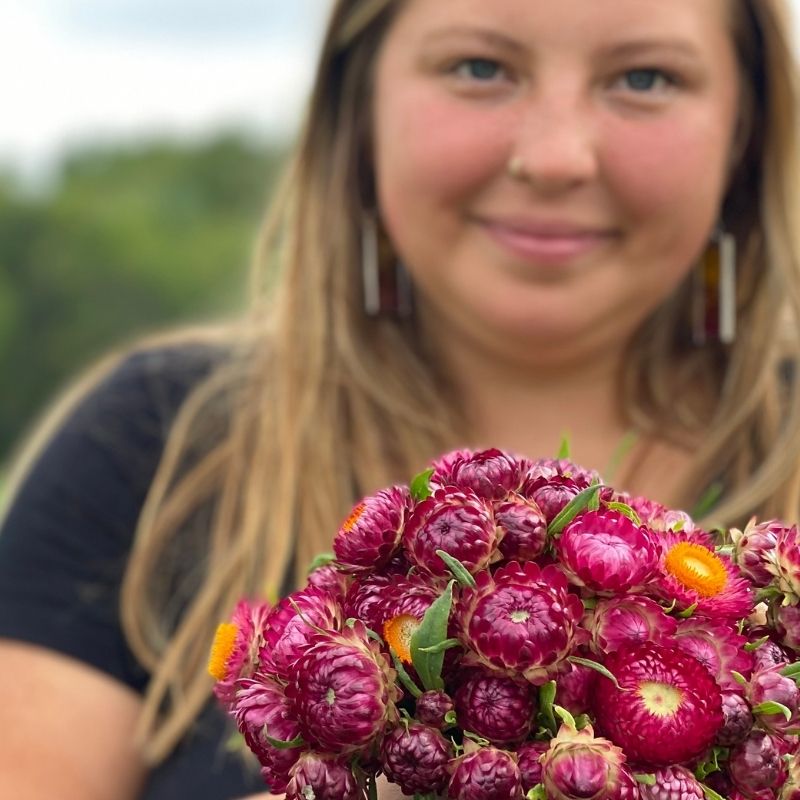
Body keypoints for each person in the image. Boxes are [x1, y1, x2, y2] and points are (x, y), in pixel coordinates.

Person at [1, 0, 799, 797]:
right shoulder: (151, 449)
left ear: (745, 131)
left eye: (644, 78)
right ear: (359, 111)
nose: (556, 158)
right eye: (479, 68)